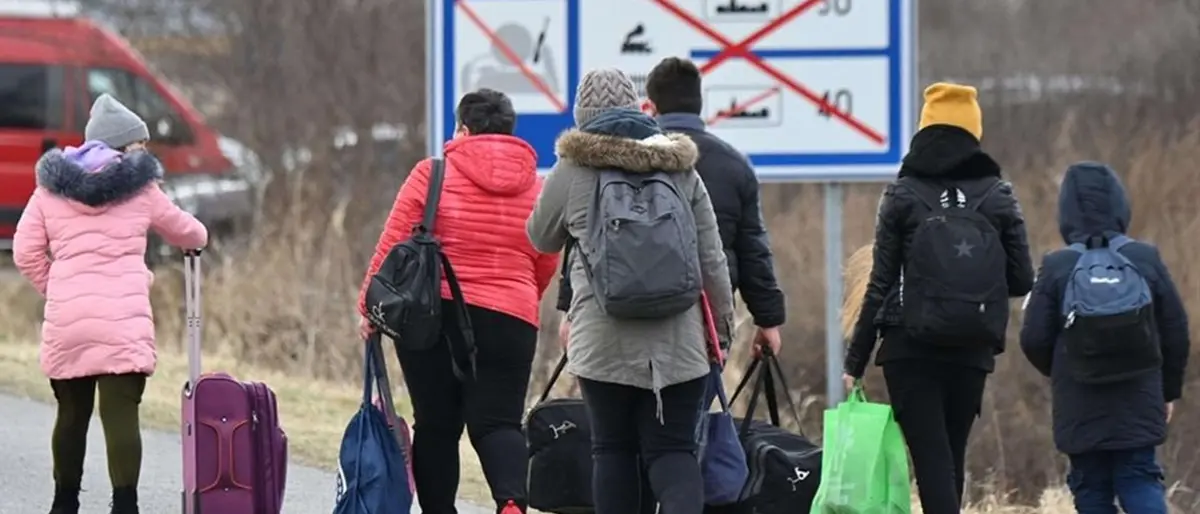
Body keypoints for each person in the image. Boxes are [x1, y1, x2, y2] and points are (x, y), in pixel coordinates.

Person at [525, 67, 736, 514]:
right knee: (673, 452)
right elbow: (712, 258)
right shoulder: (680, 168)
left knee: (613, 449)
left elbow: (541, 236)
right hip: (680, 344)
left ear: (584, 115)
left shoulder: (573, 169)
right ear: (636, 108)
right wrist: (721, 331)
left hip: (603, 339)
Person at [357, 88, 558, 514]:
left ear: (463, 129)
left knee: (436, 425)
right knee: (499, 422)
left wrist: (368, 307)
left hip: (434, 314)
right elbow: (546, 257)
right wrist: (522, 297)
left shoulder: (431, 174)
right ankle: (510, 504)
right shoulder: (538, 187)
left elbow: (393, 244)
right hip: (511, 317)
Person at [841, 83, 1035, 514]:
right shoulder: (999, 195)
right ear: (974, 133)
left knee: (931, 462)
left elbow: (880, 283)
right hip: (971, 344)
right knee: (952, 456)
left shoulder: (902, 194)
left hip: (910, 347)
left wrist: (854, 362)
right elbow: (1022, 278)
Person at [13, 93, 209, 514]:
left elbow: (24, 251)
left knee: (71, 415)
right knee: (121, 415)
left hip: (69, 323)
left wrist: (59, 288)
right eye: (140, 144)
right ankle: (125, 505)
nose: (145, 151)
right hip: (122, 322)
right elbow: (189, 233)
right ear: (123, 146)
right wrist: (198, 239)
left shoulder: (49, 190)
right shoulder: (142, 189)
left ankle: (64, 503)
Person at [554, 56, 785, 354]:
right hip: (703, 323)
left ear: (650, 106)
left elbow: (583, 238)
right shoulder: (734, 166)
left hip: (618, 310)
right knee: (695, 401)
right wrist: (768, 320)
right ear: (700, 104)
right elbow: (752, 249)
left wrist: (569, 308)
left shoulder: (621, 156)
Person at [1019, 162, 1189, 514]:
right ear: (1120, 204)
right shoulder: (1145, 258)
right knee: (1139, 477)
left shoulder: (1056, 266)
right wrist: (1167, 391)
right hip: (1140, 394)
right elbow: (1176, 330)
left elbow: (1033, 338)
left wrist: (1065, 367)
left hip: (1079, 398)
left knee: (1091, 486)